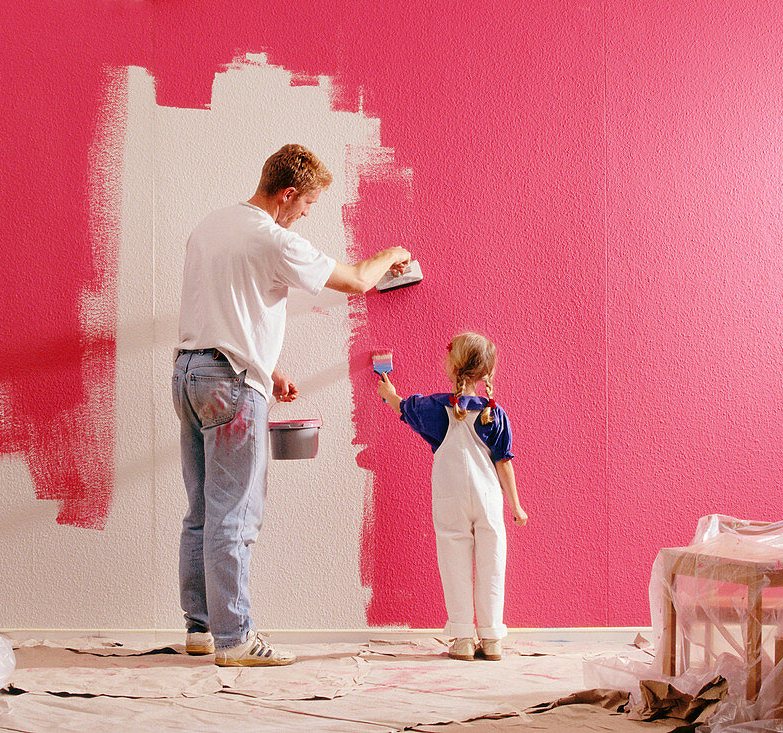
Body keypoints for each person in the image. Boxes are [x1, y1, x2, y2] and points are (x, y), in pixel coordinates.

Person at [173, 144, 411, 667]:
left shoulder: (211, 226)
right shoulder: (275, 239)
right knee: (234, 514)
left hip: (190, 375)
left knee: (202, 511)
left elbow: (223, 310)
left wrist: (268, 368)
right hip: (231, 384)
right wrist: (392, 255)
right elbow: (355, 280)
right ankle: (235, 640)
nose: (307, 213)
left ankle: (202, 628)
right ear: (287, 194)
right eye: (308, 204)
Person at [375, 331, 528, 661]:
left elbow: (402, 406)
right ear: (485, 372)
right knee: (493, 566)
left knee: (454, 564)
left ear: (453, 366)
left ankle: (461, 638)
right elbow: (504, 462)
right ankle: (492, 639)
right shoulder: (494, 414)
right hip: (488, 500)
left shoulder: (433, 408)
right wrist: (516, 505)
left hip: (450, 500)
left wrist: (388, 393)